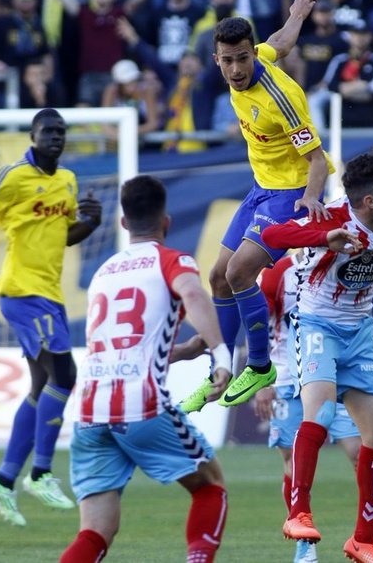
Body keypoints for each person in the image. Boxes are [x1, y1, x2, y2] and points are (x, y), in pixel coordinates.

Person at [264, 145, 373, 563]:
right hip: (316, 325)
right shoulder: (332, 216)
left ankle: (363, 539)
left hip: (360, 332)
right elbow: (273, 236)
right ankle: (298, 514)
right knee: (320, 413)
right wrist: (323, 238)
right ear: (368, 201)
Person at [60, 175, 232, 563]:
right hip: (140, 405)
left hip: (89, 410)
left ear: (123, 223)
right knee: (210, 485)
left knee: (95, 531)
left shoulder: (103, 273)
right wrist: (219, 354)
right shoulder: (172, 260)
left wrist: (185, 350)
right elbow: (191, 292)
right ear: (166, 222)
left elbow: (127, 339)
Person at [181, 0, 333, 412]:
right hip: (260, 188)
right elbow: (281, 42)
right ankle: (222, 369)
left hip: (291, 193)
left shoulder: (282, 96)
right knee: (216, 277)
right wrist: (296, 14)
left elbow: (317, 159)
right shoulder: (253, 57)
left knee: (238, 272)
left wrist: (311, 199)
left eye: (243, 59)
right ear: (216, 58)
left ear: (252, 57)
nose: (236, 68)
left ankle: (261, 365)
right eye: (227, 60)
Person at [0, 108, 103, 527]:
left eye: (61, 131)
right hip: (21, 292)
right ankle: (40, 473)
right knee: (66, 373)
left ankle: (4, 479)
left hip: (50, 293)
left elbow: (63, 237)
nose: (56, 137)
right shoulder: (11, 176)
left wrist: (90, 224)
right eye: (48, 131)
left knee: (42, 385)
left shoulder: (67, 181)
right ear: (33, 135)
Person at [251, 254, 373, 562]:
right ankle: (304, 544)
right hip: (287, 375)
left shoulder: (342, 261)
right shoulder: (277, 272)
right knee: (291, 458)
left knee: (361, 450)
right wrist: (263, 380)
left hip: (333, 371)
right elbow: (259, 322)